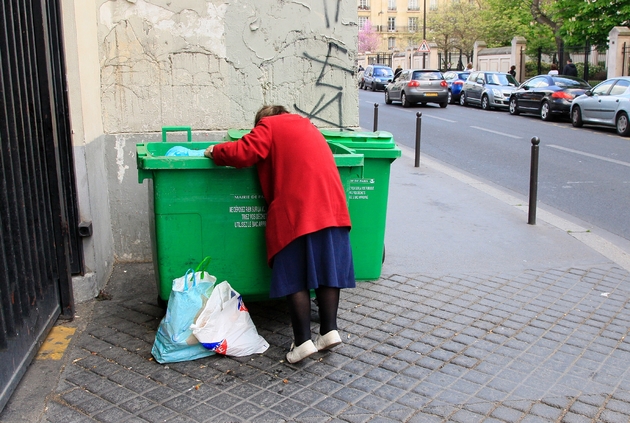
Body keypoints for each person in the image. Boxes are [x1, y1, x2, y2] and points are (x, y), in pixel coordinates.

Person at [204, 105, 355, 364]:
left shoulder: (270, 125)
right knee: (328, 270)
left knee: (294, 275)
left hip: (298, 210)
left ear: (264, 120)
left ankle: (303, 342)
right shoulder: (309, 127)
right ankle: (329, 330)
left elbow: (244, 151)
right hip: (331, 206)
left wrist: (214, 151)